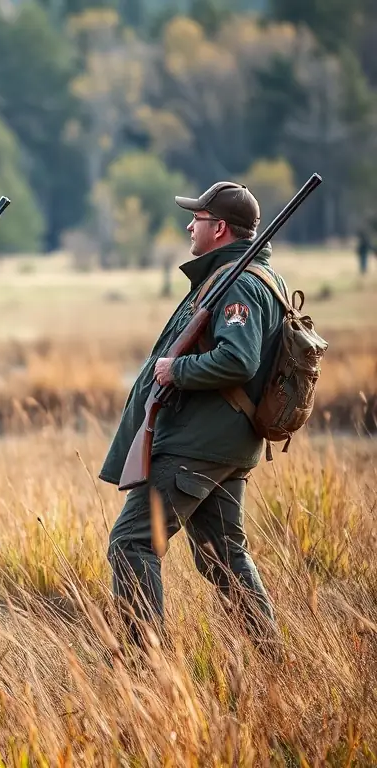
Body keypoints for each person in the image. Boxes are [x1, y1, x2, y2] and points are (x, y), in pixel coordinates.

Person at [100, 181, 283, 653]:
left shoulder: (239, 282)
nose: (189, 225)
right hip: (221, 444)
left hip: (197, 446)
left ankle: (145, 669)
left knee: (131, 543)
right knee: (222, 556)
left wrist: (175, 369)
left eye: (197, 218)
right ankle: (271, 656)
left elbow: (238, 360)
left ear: (219, 228)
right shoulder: (249, 276)